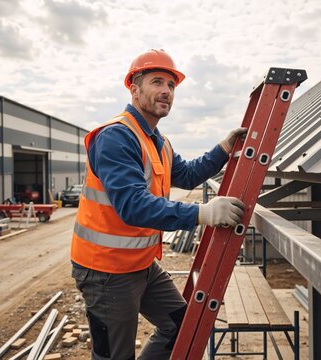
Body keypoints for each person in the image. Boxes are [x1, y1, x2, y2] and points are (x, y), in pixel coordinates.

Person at [71, 49, 247, 360]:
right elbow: (134, 206)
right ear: (134, 88)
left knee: (183, 327)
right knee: (114, 356)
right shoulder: (116, 137)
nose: (166, 91)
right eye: (157, 82)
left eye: (171, 85)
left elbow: (188, 175)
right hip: (106, 270)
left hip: (139, 264)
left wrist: (224, 148)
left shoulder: (158, 141)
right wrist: (204, 213)